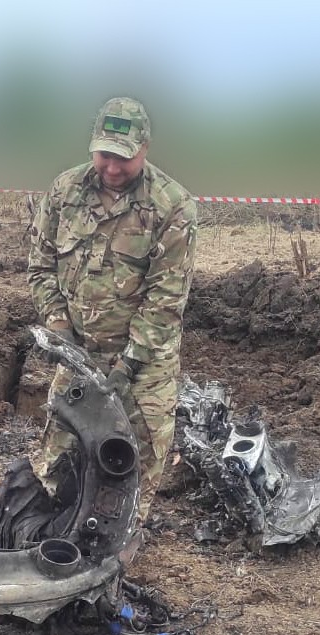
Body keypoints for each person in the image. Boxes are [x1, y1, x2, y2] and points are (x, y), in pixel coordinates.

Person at [28, 96, 197, 526]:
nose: (113, 167)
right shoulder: (64, 193)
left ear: (145, 148)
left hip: (145, 365)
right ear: (92, 146)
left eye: (124, 158)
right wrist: (60, 327)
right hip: (80, 353)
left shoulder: (172, 207)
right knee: (57, 458)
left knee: (133, 464)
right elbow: (40, 265)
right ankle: (51, 532)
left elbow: (166, 299)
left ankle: (117, 548)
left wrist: (126, 368)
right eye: (105, 155)